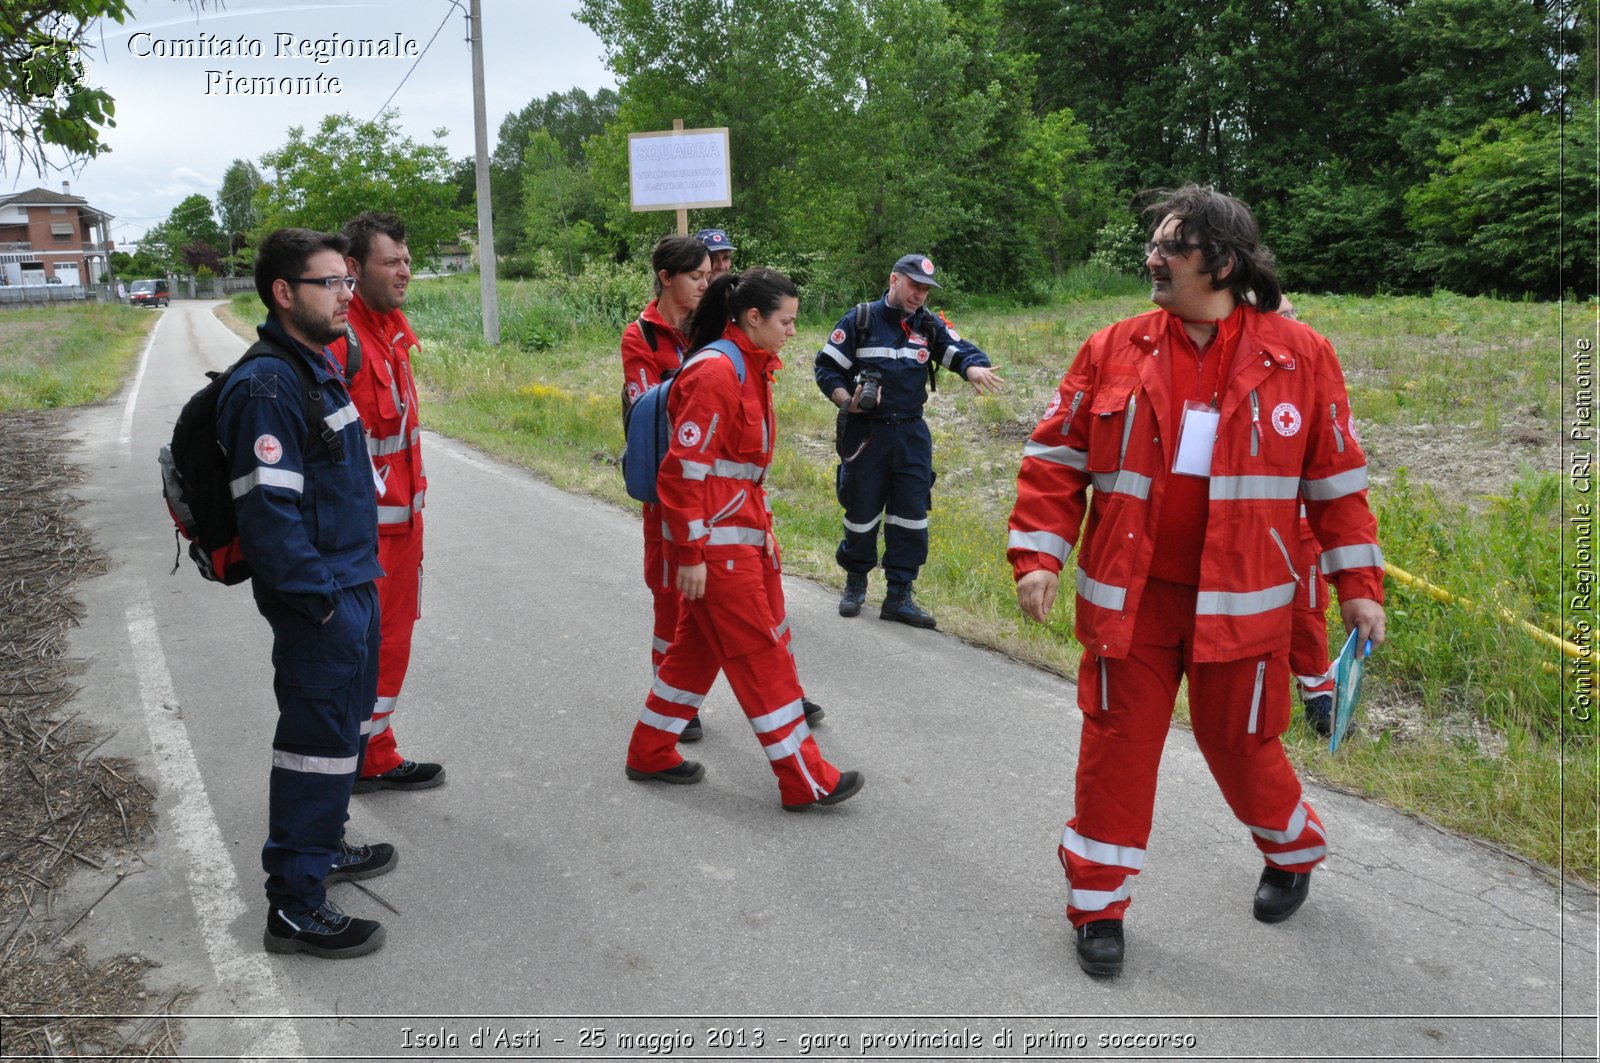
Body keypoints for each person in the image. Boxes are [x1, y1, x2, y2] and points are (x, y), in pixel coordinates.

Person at [1007, 185, 1386, 978]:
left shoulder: (1300, 355)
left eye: (1170, 245)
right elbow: (1055, 462)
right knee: (1118, 748)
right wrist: (1039, 556)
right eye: (1155, 242)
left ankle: (1292, 851)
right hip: (1132, 604)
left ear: (1222, 260)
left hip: (1244, 609)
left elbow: (1337, 485)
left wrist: (1358, 585)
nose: (1152, 256)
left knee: (1244, 746)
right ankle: (1098, 906)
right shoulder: (1112, 346)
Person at [625, 267, 863, 811]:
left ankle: (651, 750)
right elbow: (682, 472)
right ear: (753, 317)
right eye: (787, 321)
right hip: (715, 547)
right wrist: (691, 553)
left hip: (736, 537)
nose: (794, 332)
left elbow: (735, 472)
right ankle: (807, 779)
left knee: (694, 654)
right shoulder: (716, 372)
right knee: (762, 655)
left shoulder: (748, 365)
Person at [219, 228, 396, 958]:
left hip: (354, 584)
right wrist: (320, 601)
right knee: (313, 748)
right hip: (321, 598)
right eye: (330, 284)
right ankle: (293, 903)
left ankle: (324, 846)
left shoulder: (316, 366)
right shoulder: (266, 385)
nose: (346, 295)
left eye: (348, 282)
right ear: (284, 293)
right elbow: (269, 518)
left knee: (341, 736)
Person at [621, 237, 823, 742]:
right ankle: (678, 713)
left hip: (729, 508)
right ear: (668, 278)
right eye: (695, 275)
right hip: (686, 501)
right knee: (677, 605)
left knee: (726, 621)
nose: (705, 283)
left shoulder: (723, 340)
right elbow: (662, 431)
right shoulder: (650, 337)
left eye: (710, 275)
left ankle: (664, 733)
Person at [815, 254, 1003, 628]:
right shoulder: (860, 320)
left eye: (925, 290)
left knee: (911, 515)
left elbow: (960, 351)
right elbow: (826, 367)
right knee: (861, 511)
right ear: (894, 280)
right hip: (867, 433)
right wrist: (846, 401)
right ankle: (855, 584)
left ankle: (899, 596)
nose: (920, 295)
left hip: (912, 434)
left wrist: (973, 368)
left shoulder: (927, 326)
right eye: (914, 286)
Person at [326, 211, 444, 794]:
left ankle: (374, 751)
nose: (404, 271)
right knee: (353, 655)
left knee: (392, 644)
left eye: (407, 260)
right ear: (353, 269)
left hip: (402, 530)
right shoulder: (340, 343)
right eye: (390, 261)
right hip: (359, 539)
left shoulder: (392, 332)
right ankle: (338, 766)